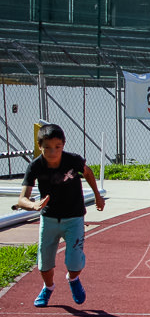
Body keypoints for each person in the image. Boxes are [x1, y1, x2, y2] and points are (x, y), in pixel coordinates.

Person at [18, 123, 106, 307]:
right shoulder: (35, 166)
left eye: (57, 147)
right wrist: (33, 205)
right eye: (47, 148)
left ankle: (73, 279)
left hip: (74, 217)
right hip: (49, 219)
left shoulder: (72, 160)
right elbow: (22, 199)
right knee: (44, 263)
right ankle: (48, 287)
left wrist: (97, 196)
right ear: (39, 146)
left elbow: (88, 173)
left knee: (74, 262)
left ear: (63, 145)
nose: (53, 152)